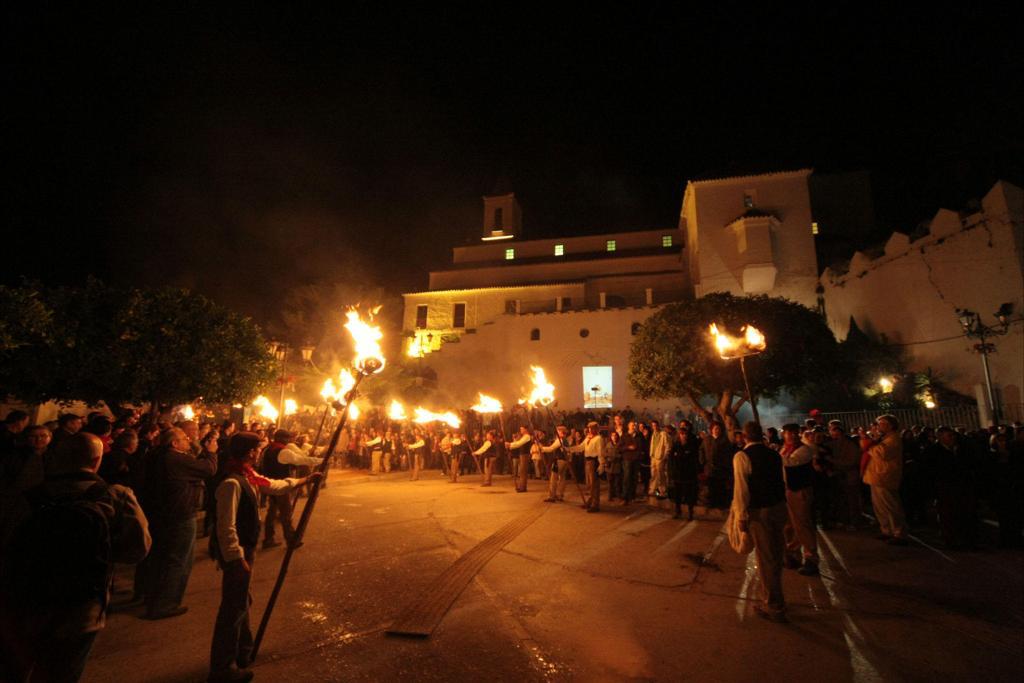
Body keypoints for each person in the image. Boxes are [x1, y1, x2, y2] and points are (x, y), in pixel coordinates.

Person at [0, 432, 151, 682]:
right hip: (82, 607)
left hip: (26, 601)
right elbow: (139, 549)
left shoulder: (27, 498)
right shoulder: (115, 496)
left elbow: (7, 543)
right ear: (96, 461)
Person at [208, 432, 320, 683]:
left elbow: (272, 485)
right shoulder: (232, 482)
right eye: (257, 449)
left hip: (245, 552)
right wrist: (237, 559)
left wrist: (304, 479)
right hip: (238, 556)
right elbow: (225, 528)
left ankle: (242, 651)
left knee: (241, 603)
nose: (260, 452)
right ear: (249, 452)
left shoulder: (248, 475)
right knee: (232, 610)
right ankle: (222, 669)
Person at [144, 427, 217, 619]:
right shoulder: (175, 459)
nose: (188, 440)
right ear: (174, 444)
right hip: (180, 515)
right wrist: (211, 453)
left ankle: (152, 598)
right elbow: (208, 469)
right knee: (179, 560)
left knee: (164, 558)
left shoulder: (159, 457)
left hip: (164, 513)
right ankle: (166, 604)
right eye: (184, 438)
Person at [733, 421, 789, 623]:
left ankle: (773, 605)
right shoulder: (774, 454)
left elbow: (741, 490)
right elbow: (783, 480)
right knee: (775, 554)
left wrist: (741, 516)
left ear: (744, 436)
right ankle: (776, 597)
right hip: (778, 507)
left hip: (761, 511)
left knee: (767, 558)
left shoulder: (742, 456)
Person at [258, 430, 321, 549]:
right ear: (283, 439)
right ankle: (291, 540)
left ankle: (268, 539)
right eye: (288, 439)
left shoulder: (268, 449)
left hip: (271, 485)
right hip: (281, 486)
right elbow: (301, 460)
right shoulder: (283, 451)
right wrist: (321, 461)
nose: (290, 441)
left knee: (272, 512)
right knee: (286, 514)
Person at [779, 424, 819, 576]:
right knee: (789, 525)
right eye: (789, 433)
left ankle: (811, 558)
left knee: (802, 525)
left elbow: (789, 463)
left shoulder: (805, 450)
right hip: (788, 490)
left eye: (795, 433)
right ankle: (792, 554)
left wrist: (773, 456)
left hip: (800, 491)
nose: (792, 436)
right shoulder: (785, 448)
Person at [862, 414, 908, 545]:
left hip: (885, 476)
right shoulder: (884, 438)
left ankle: (899, 532)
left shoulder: (894, 439)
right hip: (876, 476)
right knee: (880, 506)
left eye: (881, 424)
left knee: (890, 506)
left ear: (890, 426)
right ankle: (886, 530)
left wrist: (869, 445)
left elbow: (882, 453)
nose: (878, 426)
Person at [568, 422, 605, 512]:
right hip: (587, 461)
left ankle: (595, 504)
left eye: (592, 428)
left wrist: (601, 464)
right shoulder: (588, 437)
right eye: (589, 428)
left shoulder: (598, 438)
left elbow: (600, 452)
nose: (590, 430)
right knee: (589, 484)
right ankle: (590, 501)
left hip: (594, 461)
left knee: (594, 484)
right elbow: (581, 447)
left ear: (596, 429)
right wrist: (569, 449)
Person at [668, 424, 701, 520]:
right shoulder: (676, 445)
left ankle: (690, 513)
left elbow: (693, 459)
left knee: (689, 494)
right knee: (677, 494)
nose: (683, 436)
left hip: (688, 474)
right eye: (681, 434)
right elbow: (671, 458)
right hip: (678, 474)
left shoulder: (692, 445)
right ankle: (678, 511)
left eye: (685, 434)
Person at [542, 425, 571, 502]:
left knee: (553, 478)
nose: (556, 432)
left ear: (561, 432)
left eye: (558, 431)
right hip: (565, 461)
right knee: (562, 478)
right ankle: (560, 495)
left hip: (559, 461)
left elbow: (551, 448)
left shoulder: (560, 440)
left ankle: (552, 496)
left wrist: (542, 448)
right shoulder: (566, 440)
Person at [648, 420, 670, 499]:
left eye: (655, 425)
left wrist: (665, 456)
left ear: (658, 425)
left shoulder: (663, 434)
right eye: (653, 425)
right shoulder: (653, 434)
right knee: (653, 474)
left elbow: (668, 445)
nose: (654, 427)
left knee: (661, 475)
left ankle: (662, 491)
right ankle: (653, 490)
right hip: (653, 457)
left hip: (660, 457)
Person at [508, 426, 532, 492]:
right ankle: (521, 486)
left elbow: (519, 443)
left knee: (523, 471)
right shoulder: (523, 437)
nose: (520, 430)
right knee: (522, 471)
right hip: (522, 454)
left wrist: (510, 444)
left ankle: (523, 487)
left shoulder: (527, 436)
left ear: (526, 429)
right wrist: (510, 445)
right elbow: (517, 442)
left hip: (525, 454)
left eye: (522, 429)